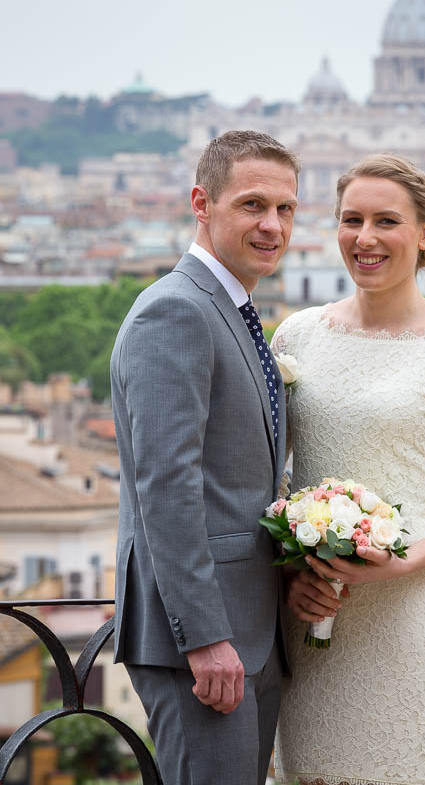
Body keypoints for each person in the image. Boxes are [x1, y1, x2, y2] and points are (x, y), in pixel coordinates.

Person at [271, 154, 425, 785]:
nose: (365, 238)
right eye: (352, 220)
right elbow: (272, 477)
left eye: (386, 221)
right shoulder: (296, 335)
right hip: (309, 614)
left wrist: (401, 562)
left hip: (405, 623)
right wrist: (293, 577)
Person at [110, 130, 299, 785]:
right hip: (204, 641)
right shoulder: (176, 311)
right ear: (201, 202)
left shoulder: (228, 309)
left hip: (246, 632)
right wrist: (203, 636)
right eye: (252, 205)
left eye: (285, 209)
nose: (272, 226)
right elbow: (166, 485)